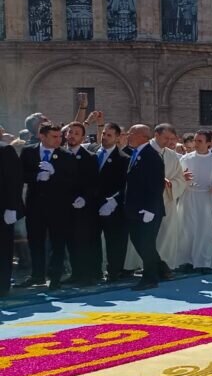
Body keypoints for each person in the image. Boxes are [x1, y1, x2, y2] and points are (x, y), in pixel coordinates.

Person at [19, 122, 75, 289]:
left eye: (60, 136)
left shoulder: (66, 156)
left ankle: (55, 276)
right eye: (54, 136)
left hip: (58, 208)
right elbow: (21, 174)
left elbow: (71, 181)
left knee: (57, 243)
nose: (59, 140)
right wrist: (36, 176)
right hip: (35, 205)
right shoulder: (28, 152)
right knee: (35, 241)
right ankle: (37, 275)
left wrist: (54, 173)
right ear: (42, 136)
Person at [122, 125, 166, 291]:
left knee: (146, 243)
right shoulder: (136, 153)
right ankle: (161, 268)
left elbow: (156, 185)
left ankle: (150, 277)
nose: (128, 135)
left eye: (132, 133)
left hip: (148, 210)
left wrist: (150, 209)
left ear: (142, 136)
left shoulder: (151, 156)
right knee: (138, 241)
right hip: (135, 209)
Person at [177, 130, 212, 273]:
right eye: (195, 140)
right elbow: (178, 176)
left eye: (200, 141)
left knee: (205, 232)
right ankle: (186, 260)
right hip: (188, 197)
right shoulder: (186, 159)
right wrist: (182, 178)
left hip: (206, 199)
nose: (196, 144)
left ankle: (205, 262)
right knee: (187, 230)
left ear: (209, 143)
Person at [64, 121, 101, 286]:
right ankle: (76, 273)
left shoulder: (89, 157)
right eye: (70, 132)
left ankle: (88, 274)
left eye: (76, 133)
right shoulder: (61, 154)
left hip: (84, 208)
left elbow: (93, 182)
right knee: (70, 241)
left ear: (83, 137)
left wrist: (85, 197)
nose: (72, 136)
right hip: (65, 206)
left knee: (84, 241)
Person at [93, 122, 130, 283]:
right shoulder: (91, 154)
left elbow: (126, 184)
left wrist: (114, 201)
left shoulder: (123, 159)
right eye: (103, 134)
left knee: (114, 241)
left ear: (117, 138)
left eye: (109, 135)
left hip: (112, 207)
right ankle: (94, 271)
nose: (105, 138)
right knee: (91, 240)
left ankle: (114, 272)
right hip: (92, 205)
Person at [0, 130, 23, 298]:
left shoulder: (5, 150)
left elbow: (15, 181)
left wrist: (13, 207)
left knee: (3, 249)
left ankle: (2, 285)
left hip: (3, 210)